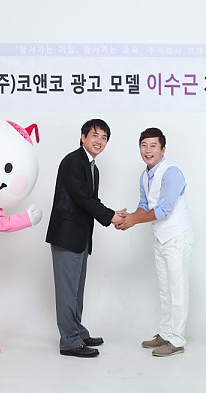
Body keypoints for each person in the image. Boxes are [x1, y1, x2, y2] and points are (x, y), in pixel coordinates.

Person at [46, 118, 124, 358]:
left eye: (104, 138)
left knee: (76, 290)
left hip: (80, 236)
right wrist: (111, 216)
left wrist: (113, 214)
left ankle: (76, 331)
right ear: (83, 137)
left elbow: (91, 200)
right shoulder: (73, 161)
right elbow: (82, 198)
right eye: (95, 135)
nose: (99, 141)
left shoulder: (92, 167)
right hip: (67, 235)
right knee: (67, 291)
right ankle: (69, 341)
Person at [116, 127, 195, 357]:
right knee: (165, 289)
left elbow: (163, 210)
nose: (148, 150)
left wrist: (133, 220)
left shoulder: (172, 173)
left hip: (177, 237)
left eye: (153, 145)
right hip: (160, 238)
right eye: (144, 145)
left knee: (177, 289)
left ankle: (177, 340)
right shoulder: (144, 175)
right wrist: (128, 217)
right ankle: (166, 333)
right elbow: (144, 205)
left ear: (163, 149)